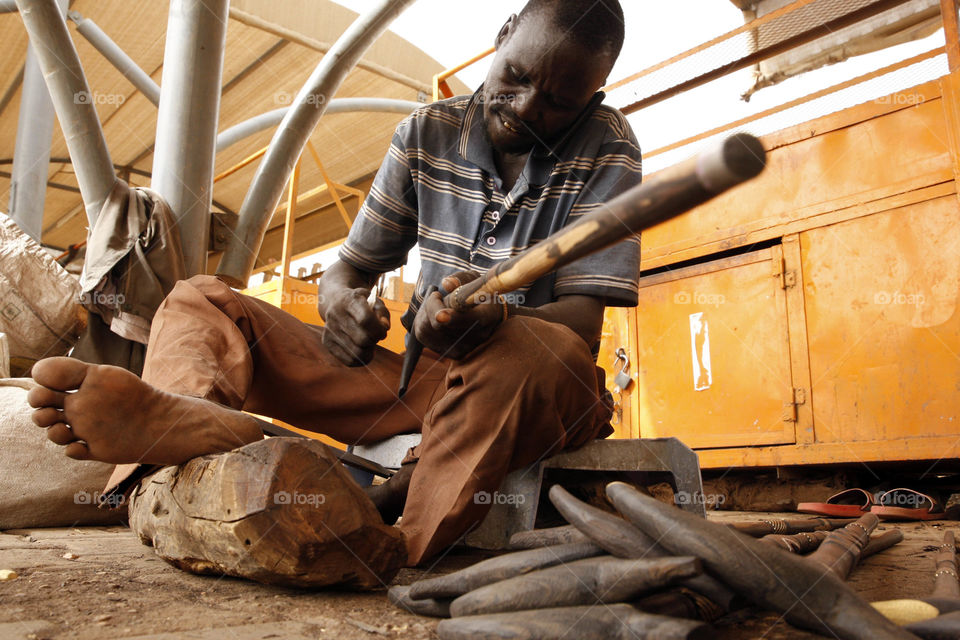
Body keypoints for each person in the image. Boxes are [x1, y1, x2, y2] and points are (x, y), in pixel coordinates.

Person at [28, 0, 642, 566]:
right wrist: (343, 304)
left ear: (593, 97)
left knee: (541, 351)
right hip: (418, 384)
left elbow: (583, 324)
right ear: (503, 36)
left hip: (530, 386)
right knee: (200, 297)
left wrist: (499, 315)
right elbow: (347, 271)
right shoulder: (427, 132)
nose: (528, 108)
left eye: (560, 101)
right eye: (516, 76)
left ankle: (390, 540)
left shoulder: (608, 145)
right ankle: (194, 438)